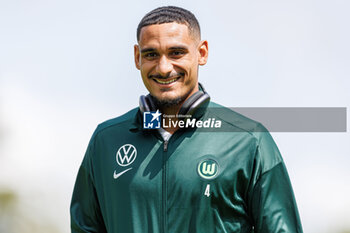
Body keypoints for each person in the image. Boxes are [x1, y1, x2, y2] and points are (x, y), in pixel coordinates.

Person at [70, 6, 303, 233]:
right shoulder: (106, 140)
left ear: (201, 53)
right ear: (137, 57)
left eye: (176, 53)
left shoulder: (249, 140)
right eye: (151, 54)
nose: (163, 68)